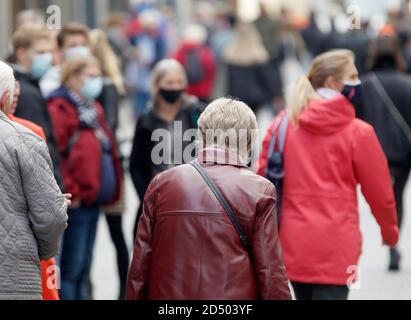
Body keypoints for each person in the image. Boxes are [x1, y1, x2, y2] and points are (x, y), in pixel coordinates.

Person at [258, 50, 399, 300]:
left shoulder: (282, 124)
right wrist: (389, 233)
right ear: (333, 83)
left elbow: (262, 181)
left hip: (292, 245)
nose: (359, 82)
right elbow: (381, 193)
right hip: (339, 249)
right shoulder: (359, 133)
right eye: (353, 76)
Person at [126, 97, 292, 300]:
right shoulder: (259, 190)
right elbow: (270, 271)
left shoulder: (162, 183)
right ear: (248, 142)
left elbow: (140, 263)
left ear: (201, 135)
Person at [47, 57, 123, 300]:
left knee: (84, 265)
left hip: (94, 198)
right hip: (75, 201)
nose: (96, 81)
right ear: (72, 76)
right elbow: (55, 155)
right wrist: (71, 191)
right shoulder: (60, 108)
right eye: (90, 76)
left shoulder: (94, 109)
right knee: (71, 268)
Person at [0, 60, 68, 300]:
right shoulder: (24, 139)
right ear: (5, 97)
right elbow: (51, 216)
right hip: (14, 277)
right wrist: (43, 251)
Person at [129, 59, 205, 238]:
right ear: (157, 85)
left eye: (179, 82)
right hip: (158, 197)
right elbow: (136, 164)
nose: (174, 87)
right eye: (169, 82)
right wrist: (145, 195)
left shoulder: (197, 112)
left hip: (193, 196)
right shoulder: (146, 118)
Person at [355, 35, 411, 271]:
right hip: (403, 153)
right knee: (397, 195)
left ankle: (389, 240)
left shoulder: (364, 85)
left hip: (373, 153)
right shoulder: (407, 83)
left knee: (380, 199)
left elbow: (355, 121)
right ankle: (393, 245)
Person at [90, 28, 129, 300]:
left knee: (114, 234)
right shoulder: (111, 83)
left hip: (106, 169)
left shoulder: (104, 86)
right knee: (114, 236)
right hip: (108, 168)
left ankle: (124, 289)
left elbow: (111, 125)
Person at [11, 26, 63, 189]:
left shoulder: (27, 86)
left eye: (49, 52)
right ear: (21, 53)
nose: (47, 58)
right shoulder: (26, 93)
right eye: (40, 52)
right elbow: (35, 146)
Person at [223, 22, 278, 113]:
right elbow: (268, 80)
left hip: (237, 99)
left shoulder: (231, 56)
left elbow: (229, 83)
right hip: (257, 99)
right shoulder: (260, 56)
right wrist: (274, 95)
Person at [40, 22, 91, 97]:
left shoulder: (93, 79)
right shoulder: (51, 82)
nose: (80, 49)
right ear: (60, 50)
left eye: (84, 45)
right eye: (73, 46)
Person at [172, 24, 216, 103]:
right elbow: (211, 74)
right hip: (203, 94)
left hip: (184, 94)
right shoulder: (207, 53)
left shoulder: (178, 53)